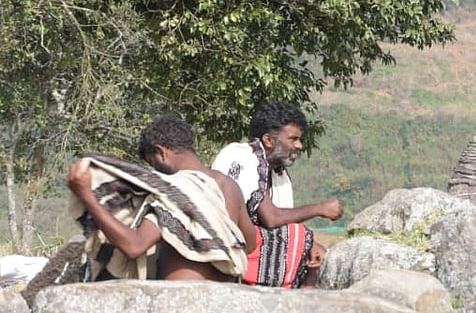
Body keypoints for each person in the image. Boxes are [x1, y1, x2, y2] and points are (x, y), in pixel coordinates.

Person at [66, 115, 257, 281]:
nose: (155, 171)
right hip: (224, 294)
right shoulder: (230, 186)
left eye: (152, 163)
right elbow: (249, 244)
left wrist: (87, 196)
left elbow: (134, 246)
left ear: (161, 152)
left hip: (181, 298)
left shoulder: (173, 190)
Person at [212, 100, 343, 288]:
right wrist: (319, 209)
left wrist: (310, 245)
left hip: (251, 245)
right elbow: (272, 218)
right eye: (293, 139)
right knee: (300, 236)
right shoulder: (241, 156)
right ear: (268, 140)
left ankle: (300, 299)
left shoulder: (278, 173)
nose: (299, 145)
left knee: (315, 254)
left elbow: (283, 223)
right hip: (227, 243)